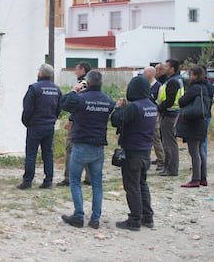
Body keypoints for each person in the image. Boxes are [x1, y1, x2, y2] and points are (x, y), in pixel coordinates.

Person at [60, 71, 114, 229]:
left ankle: (78, 216)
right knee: (97, 184)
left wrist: (74, 90)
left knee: (75, 181)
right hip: (98, 147)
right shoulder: (108, 101)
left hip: (81, 144)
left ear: (87, 83)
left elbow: (64, 104)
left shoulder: (80, 99)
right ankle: (95, 219)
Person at [111, 75, 157, 231]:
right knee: (142, 184)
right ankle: (147, 217)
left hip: (132, 151)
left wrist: (118, 107)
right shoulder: (151, 105)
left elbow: (116, 120)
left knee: (132, 187)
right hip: (145, 151)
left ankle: (134, 220)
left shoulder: (134, 106)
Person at [18, 64, 62, 189]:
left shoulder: (34, 88)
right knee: (48, 153)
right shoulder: (56, 89)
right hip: (49, 125)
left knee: (31, 153)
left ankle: (27, 182)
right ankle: (48, 181)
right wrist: (52, 120)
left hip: (35, 125)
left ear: (41, 73)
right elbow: (58, 109)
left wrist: (27, 122)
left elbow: (27, 108)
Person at [57, 62, 91, 187]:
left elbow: (76, 103)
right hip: (90, 121)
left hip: (79, 121)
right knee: (88, 147)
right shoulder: (91, 82)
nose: (75, 72)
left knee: (70, 148)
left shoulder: (82, 83)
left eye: (76, 70)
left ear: (82, 69)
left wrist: (71, 119)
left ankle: (69, 178)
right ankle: (89, 177)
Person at [176, 66, 210, 187]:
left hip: (193, 122)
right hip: (202, 120)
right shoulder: (205, 87)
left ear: (195, 75)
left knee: (194, 151)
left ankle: (195, 179)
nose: (189, 77)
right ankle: (203, 177)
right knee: (200, 150)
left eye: (190, 74)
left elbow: (182, 101)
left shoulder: (194, 88)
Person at [156, 59, 184, 177]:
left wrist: (159, 107)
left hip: (169, 115)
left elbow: (169, 100)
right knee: (168, 143)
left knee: (169, 143)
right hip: (170, 114)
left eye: (166, 66)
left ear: (172, 69)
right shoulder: (175, 80)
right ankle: (169, 167)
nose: (164, 68)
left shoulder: (173, 82)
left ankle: (171, 169)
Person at [143, 66, 164, 171]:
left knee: (156, 138)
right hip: (143, 114)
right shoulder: (144, 85)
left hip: (153, 115)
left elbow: (159, 102)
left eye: (145, 73)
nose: (143, 75)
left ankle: (161, 160)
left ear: (151, 74)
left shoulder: (159, 86)